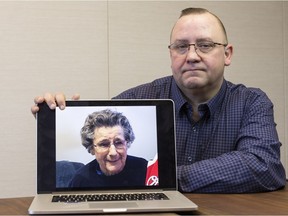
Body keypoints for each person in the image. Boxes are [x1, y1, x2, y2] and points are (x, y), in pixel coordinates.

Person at [32, 7, 286, 193]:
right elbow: (101, 126)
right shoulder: (138, 98)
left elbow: (263, 166)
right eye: (181, 46)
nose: (192, 56)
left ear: (227, 54)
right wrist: (56, 112)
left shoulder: (252, 102)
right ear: (171, 53)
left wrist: (163, 177)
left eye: (205, 45)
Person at [69, 109, 148, 188]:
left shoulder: (145, 168)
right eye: (104, 144)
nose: (113, 153)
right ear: (92, 148)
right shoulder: (80, 180)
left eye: (119, 143)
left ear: (127, 143)